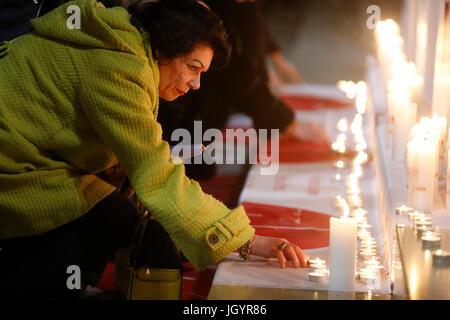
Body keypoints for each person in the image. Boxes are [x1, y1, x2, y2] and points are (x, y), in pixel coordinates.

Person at [0, 0, 309, 299]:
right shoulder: (119, 65)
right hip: (10, 165)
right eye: (192, 67)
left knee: (116, 203)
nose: (196, 84)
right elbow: (157, 174)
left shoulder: (125, 47)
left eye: (202, 73)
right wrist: (244, 240)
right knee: (112, 213)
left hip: (20, 153)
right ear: (165, 49)